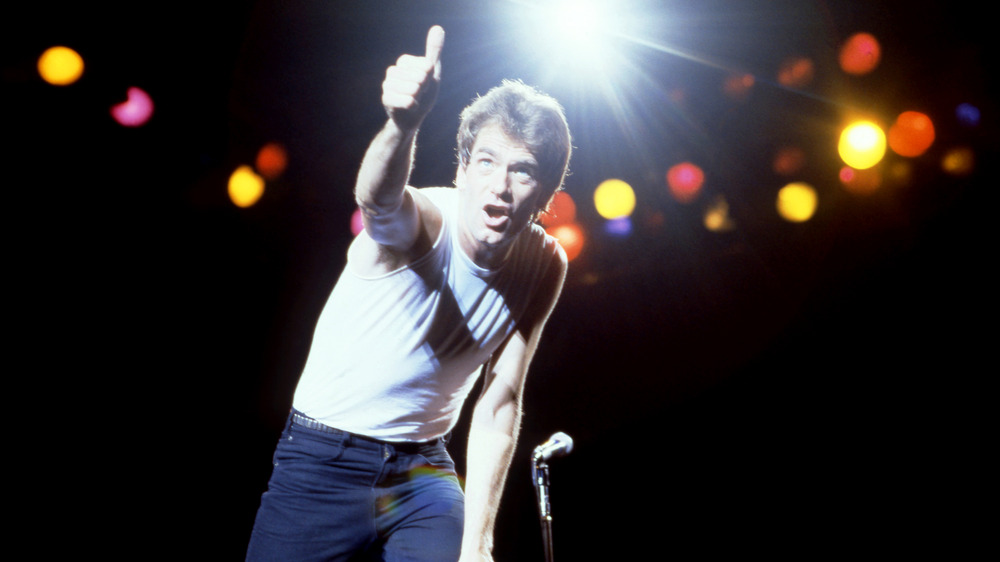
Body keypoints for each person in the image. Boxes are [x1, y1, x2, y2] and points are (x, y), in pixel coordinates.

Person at [246, 24, 571, 562]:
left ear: (547, 191)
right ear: (462, 170)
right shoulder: (424, 222)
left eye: (523, 171)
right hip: (324, 459)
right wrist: (403, 125)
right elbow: (377, 201)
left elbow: (500, 400)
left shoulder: (544, 262)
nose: (500, 186)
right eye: (486, 161)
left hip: (423, 472)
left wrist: (479, 542)